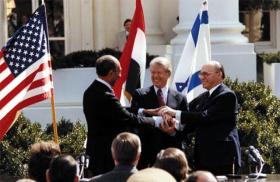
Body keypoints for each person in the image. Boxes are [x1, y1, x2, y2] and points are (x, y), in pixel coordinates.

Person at [83, 55, 164, 176]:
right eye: (119, 72)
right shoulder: (105, 95)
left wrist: (144, 111)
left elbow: (116, 111)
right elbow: (126, 118)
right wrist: (156, 121)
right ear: (111, 73)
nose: (120, 76)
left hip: (97, 152)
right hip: (105, 156)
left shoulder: (92, 90)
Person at [160, 61, 241, 175]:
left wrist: (175, 113)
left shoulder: (227, 95)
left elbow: (205, 116)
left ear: (219, 74)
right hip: (203, 157)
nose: (202, 78)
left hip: (221, 158)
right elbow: (193, 119)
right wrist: (174, 126)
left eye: (206, 74)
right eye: (200, 74)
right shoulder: (204, 97)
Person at [131, 57, 188, 168]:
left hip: (171, 155)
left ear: (168, 74)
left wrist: (173, 131)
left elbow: (186, 125)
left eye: (159, 72)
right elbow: (133, 117)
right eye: (152, 72)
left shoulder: (180, 98)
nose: (155, 76)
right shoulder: (140, 94)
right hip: (147, 155)